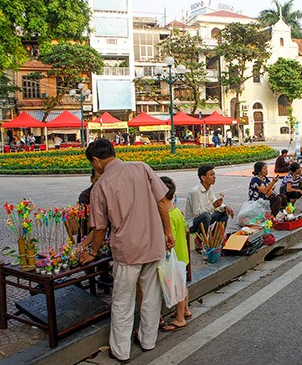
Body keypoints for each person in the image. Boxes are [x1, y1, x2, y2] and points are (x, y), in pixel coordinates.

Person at [83, 138, 174, 362]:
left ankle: (121, 351)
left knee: (123, 301)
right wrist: (168, 232)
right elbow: (163, 202)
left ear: (96, 161)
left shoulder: (100, 186)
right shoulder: (141, 167)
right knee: (152, 297)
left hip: (127, 251)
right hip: (153, 244)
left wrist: (92, 252)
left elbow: (100, 227)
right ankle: (148, 341)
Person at [159, 176, 192, 332]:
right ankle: (185, 309)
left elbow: (167, 238)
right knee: (182, 284)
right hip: (183, 255)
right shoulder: (177, 212)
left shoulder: (168, 216)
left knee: (177, 288)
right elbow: (186, 230)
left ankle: (180, 318)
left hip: (174, 257)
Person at [185, 165, 234, 251]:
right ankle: (199, 242)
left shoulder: (209, 190)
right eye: (211, 175)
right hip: (193, 223)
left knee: (223, 213)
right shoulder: (195, 192)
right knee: (206, 216)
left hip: (205, 217)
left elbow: (216, 204)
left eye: (214, 174)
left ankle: (215, 239)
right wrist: (213, 206)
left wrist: (225, 207)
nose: (214, 177)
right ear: (203, 178)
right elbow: (197, 213)